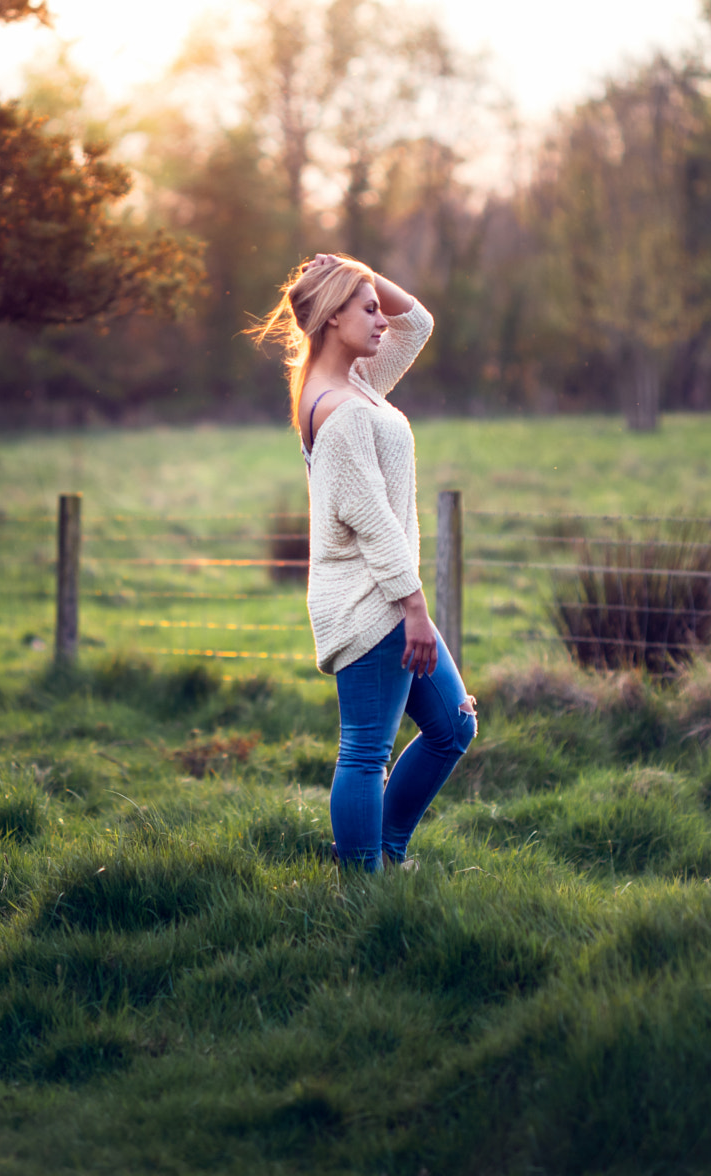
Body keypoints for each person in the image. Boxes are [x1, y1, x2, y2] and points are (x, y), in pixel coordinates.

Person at [250, 253, 476, 871]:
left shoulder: (360, 384)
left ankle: (387, 852)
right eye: (368, 309)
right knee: (364, 754)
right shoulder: (339, 409)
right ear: (330, 318)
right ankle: (361, 886)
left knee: (453, 729)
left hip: (388, 598)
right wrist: (417, 610)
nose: (382, 321)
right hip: (371, 604)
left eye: (378, 308)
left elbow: (420, 323)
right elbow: (371, 520)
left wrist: (361, 271)